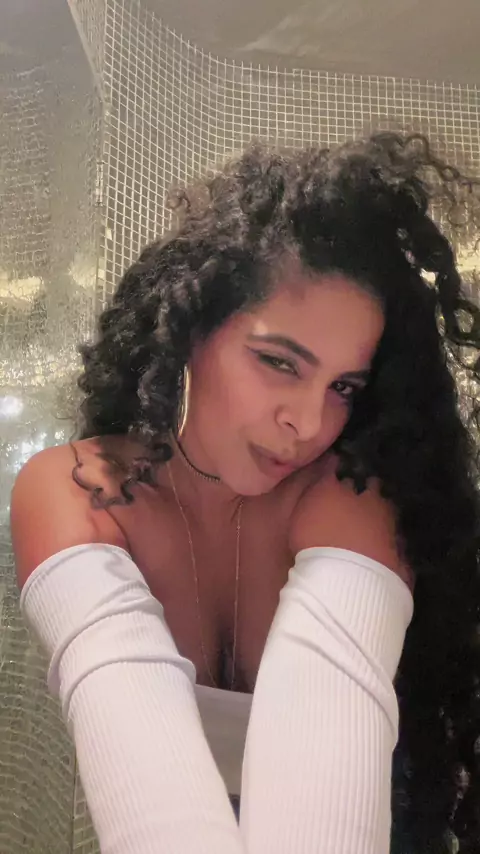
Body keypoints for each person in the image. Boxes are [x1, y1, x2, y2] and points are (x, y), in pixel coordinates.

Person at [10, 132, 480, 854]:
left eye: (343, 387)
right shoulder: (78, 490)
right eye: (278, 362)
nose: (309, 422)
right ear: (191, 328)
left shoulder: (347, 498)